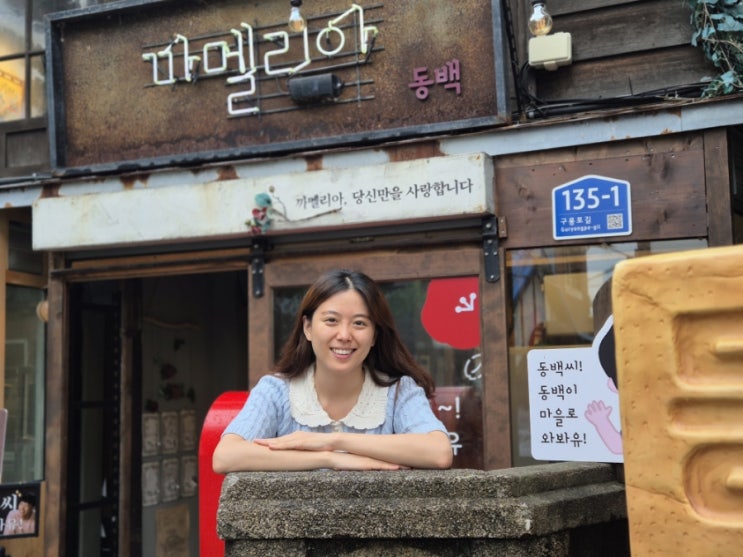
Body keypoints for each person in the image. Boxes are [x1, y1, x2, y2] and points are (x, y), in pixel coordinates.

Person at [213, 269, 453, 472]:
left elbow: (439, 452)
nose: (344, 335)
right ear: (307, 327)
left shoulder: (399, 391)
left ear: (374, 336)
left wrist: (333, 441)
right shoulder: (275, 391)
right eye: (331, 320)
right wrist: (329, 458)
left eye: (359, 323)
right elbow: (226, 456)